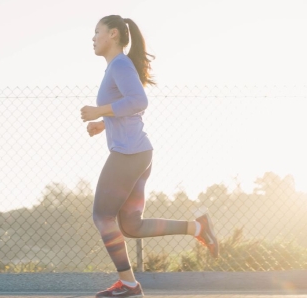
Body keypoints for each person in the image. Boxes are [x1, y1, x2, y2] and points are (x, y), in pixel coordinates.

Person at [80, 15, 219, 298]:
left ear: (114, 34)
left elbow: (139, 101)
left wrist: (99, 111)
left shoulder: (119, 64)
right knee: (131, 225)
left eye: (97, 32)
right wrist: (103, 123)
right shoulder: (116, 67)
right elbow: (130, 108)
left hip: (129, 154)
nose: (93, 38)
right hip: (139, 153)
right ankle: (198, 227)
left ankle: (129, 285)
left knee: (102, 216)